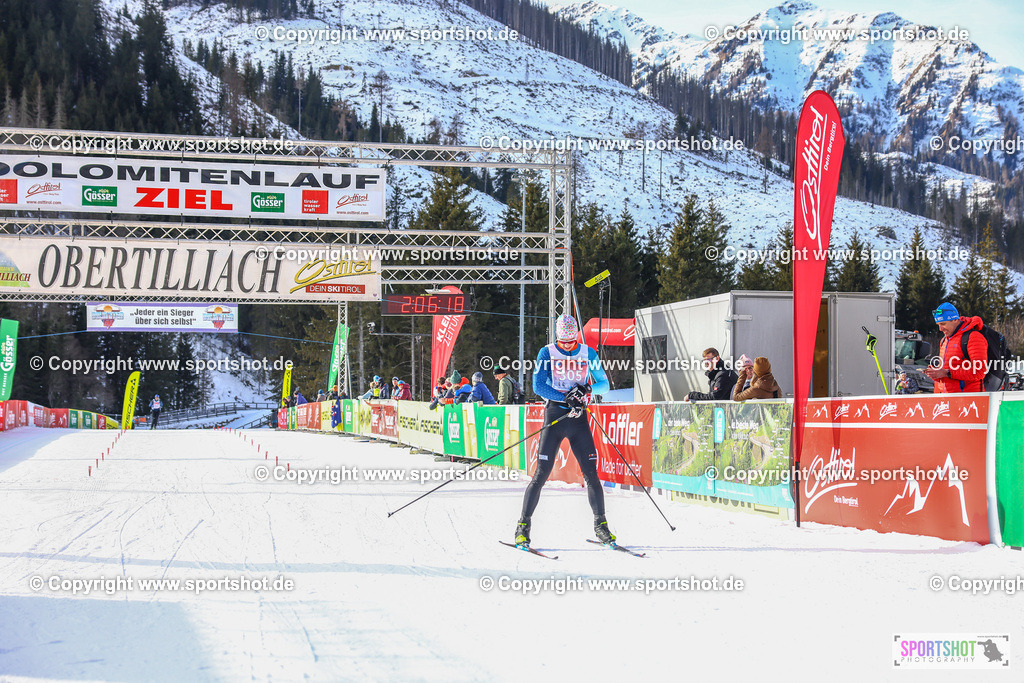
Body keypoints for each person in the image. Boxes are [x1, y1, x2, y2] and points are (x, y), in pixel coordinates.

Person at [516, 313, 613, 548]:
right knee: (541, 474)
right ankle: (522, 527)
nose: (568, 346)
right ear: (558, 336)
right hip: (556, 415)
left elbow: (605, 385)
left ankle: (601, 526)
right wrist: (565, 397)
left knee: (591, 473)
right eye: (564, 342)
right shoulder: (546, 352)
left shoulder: (588, 352)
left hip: (579, 419)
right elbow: (538, 386)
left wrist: (586, 388)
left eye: (572, 342)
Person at [923, 302, 988, 393]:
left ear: (955, 320)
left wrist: (947, 373)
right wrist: (935, 373)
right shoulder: (944, 340)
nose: (940, 329)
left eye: (943, 324)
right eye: (938, 325)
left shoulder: (973, 337)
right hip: (945, 399)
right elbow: (945, 372)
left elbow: (979, 371)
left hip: (967, 400)